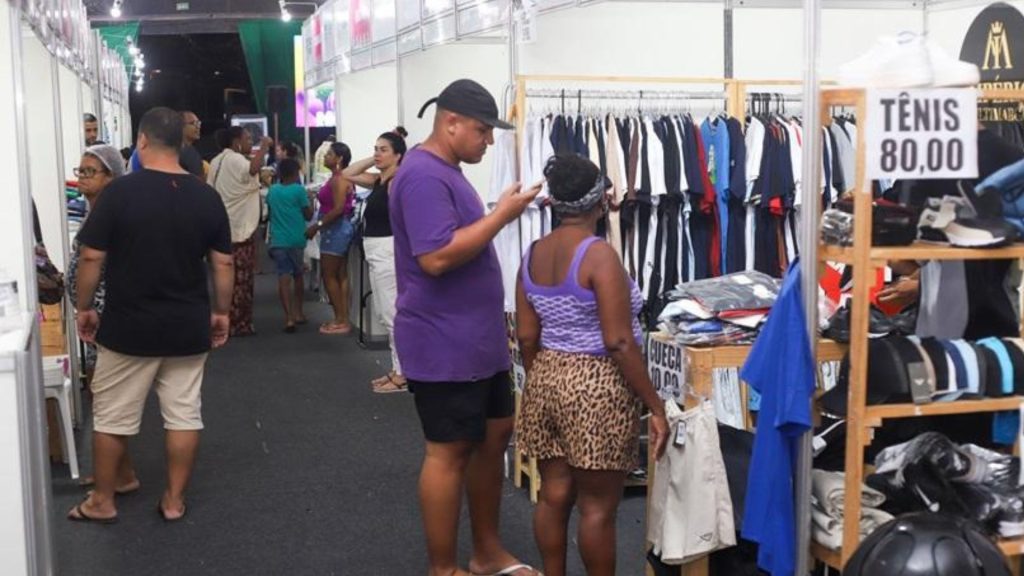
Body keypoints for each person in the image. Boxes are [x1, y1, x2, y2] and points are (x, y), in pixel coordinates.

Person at [390, 79, 542, 576]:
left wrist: (499, 212)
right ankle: (444, 567)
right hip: (443, 340)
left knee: (494, 436)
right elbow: (435, 257)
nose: (489, 141)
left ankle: (486, 552)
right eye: (483, 130)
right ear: (450, 122)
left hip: (475, 338)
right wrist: (502, 216)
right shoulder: (422, 175)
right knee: (449, 450)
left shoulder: (446, 171)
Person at [68, 107, 234, 524]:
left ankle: (103, 501)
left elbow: (91, 257)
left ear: (142, 141)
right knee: (184, 414)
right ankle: (174, 501)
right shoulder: (206, 196)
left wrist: (84, 307)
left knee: (112, 416)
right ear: (180, 143)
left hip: (128, 326)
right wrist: (221, 312)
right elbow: (223, 263)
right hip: (187, 325)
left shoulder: (119, 193)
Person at [515, 155, 670, 576]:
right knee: (597, 508)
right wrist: (654, 405)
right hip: (596, 385)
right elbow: (618, 341)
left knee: (553, 494)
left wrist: (544, 377)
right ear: (600, 201)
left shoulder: (532, 254)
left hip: (545, 376)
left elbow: (526, 336)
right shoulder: (598, 255)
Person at [342, 127, 407, 392]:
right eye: (375, 149)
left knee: (392, 314)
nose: (377, 154)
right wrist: (376, 159)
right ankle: (397, 368)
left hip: (388, 250)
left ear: (398, 155)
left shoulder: (396, 181)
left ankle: (403, 374)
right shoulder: (380, 180)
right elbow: (347, 173)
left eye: (383, 150)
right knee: (384, 312)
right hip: (376, 251)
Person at [209, 126, 273, 337]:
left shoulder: (217, 161)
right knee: (241, 279)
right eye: (248, 139)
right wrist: (264, 147)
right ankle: (239, 322)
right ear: (236, 142)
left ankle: (226, 316)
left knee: (225, 278)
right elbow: (252, 169)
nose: (250, 143)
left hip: (224, 227)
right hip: (239, 230)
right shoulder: (236, 160)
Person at [306, 142, 355, 335]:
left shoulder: (339, 179)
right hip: (337, 229)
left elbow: (338, 209)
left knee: (329, 274)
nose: (325, 157)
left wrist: (316, 226)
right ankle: (342, 318)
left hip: (336, 229)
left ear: (339, 159)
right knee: (340, 274)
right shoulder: (338, 178)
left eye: (329, 154)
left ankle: (340, 318)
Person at [266, 158, 312, 333]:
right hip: (296, 239)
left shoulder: (273, 190)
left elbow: (270, 213)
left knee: (283, 277)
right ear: (295, 173)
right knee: (298, 276)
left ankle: (289, 318)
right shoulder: (299, 190)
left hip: (278, 240)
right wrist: (310, 200)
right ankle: (299, 312)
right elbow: (308, 215)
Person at [179, 111, 204, 178]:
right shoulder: (175, 152)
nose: (198, 127)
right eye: (194, 123)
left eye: (199, 123)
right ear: (181, 126)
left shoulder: (192, 151)